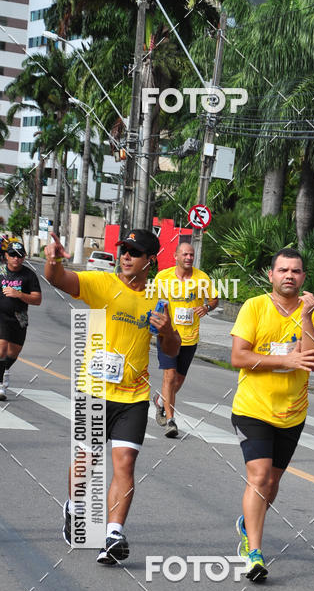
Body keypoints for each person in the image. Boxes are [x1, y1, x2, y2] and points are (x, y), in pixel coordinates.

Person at [44, 229, 180, 565]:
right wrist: (53, 259)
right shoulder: (102, 285)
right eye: (124, 249)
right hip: (94, 391)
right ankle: (74, 507)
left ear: (150, 259)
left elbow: (171, 350)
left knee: (125, 463)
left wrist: (166, 331)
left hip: (132, 396)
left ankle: (113, 534)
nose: (126, 256)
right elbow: (58, 278)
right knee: (87, 461)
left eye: (134, 251)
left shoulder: (159, 300)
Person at [230, 248, 314, 582]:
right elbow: (239, 357)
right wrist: (285, 361)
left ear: (303, 277)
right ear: (270, 275)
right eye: (283, 270)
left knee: (271, 483)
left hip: (292, 413)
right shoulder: (254, 307)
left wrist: (304, 317)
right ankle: (254, 553)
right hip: (252, 409)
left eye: (296, 271)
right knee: (258, 478)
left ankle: (247, 522)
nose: (289, 275)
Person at [152, 241, 218, 438]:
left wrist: (207, 307)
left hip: (190, 337)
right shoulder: (163, 277)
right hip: (168, 335)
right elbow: (150, 300)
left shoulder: (202, 278)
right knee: (169, 377)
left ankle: (160, 400)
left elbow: (214, 299)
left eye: (191, 255)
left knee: (178, 380)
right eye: (185, 254)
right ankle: (170, 421)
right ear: (176, 256)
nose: (189, 258)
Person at [0, 241, 42, 400]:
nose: (15, 259)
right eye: (12, 255)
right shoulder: (1, 271)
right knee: (2, 348)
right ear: (6, 256)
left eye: (19, 256)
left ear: (24, 257)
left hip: (19, 317)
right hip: (1, 315)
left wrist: (19, 295)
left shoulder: (28, 275)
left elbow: (37, 299)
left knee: (13, 353)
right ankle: (1, 386)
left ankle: (4, 371)